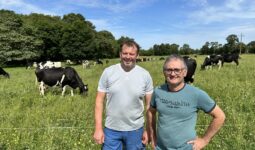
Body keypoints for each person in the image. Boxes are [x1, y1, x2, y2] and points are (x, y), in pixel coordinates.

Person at [147, 54, 225, 150]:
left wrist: (204, 140)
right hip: (160, 147)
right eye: (169, 70)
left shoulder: (196, 94)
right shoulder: (158, 91)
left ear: (185, 72)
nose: (172, 73)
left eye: (177, 70)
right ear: (164, 72)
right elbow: (151, 112)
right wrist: (152, 135)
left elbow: (220, 116)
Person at [93, 40, 153, 150]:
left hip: (135, 130)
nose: (128, 57)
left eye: (132, 54)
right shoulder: (108, 72)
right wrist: (98, 128)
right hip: (111, 130)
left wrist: (149, 130)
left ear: (137, 55)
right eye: (125, 53)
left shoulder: (145, 75)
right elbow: (99, 101)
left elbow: (149, 106)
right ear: (120, 54)